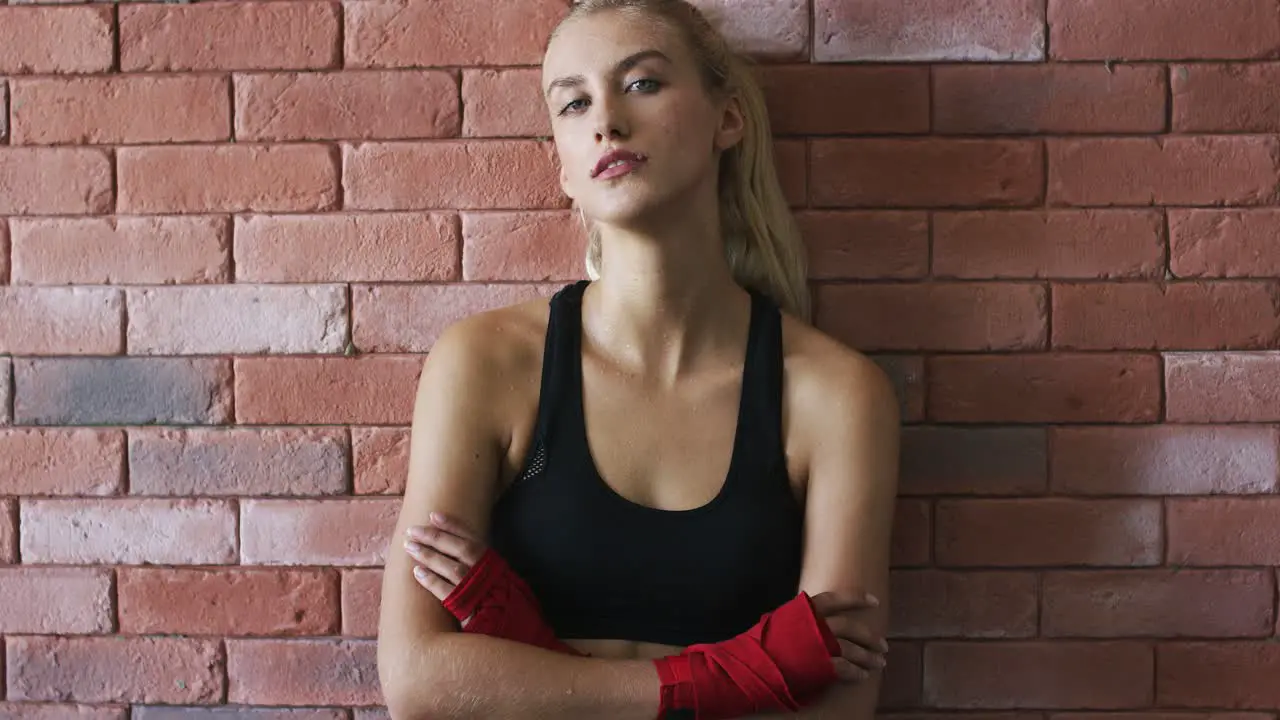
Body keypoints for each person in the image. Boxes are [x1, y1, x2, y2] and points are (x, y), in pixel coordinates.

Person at [376, 1, 901, 717]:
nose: (607, 122)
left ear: (728, 119)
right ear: (562, 166)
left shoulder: (835, 396)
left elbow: (838, 707)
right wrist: (721, 680)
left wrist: (532, 655)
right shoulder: (486, 363)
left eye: (643, 84)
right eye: (574, 102)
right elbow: (416, 680)